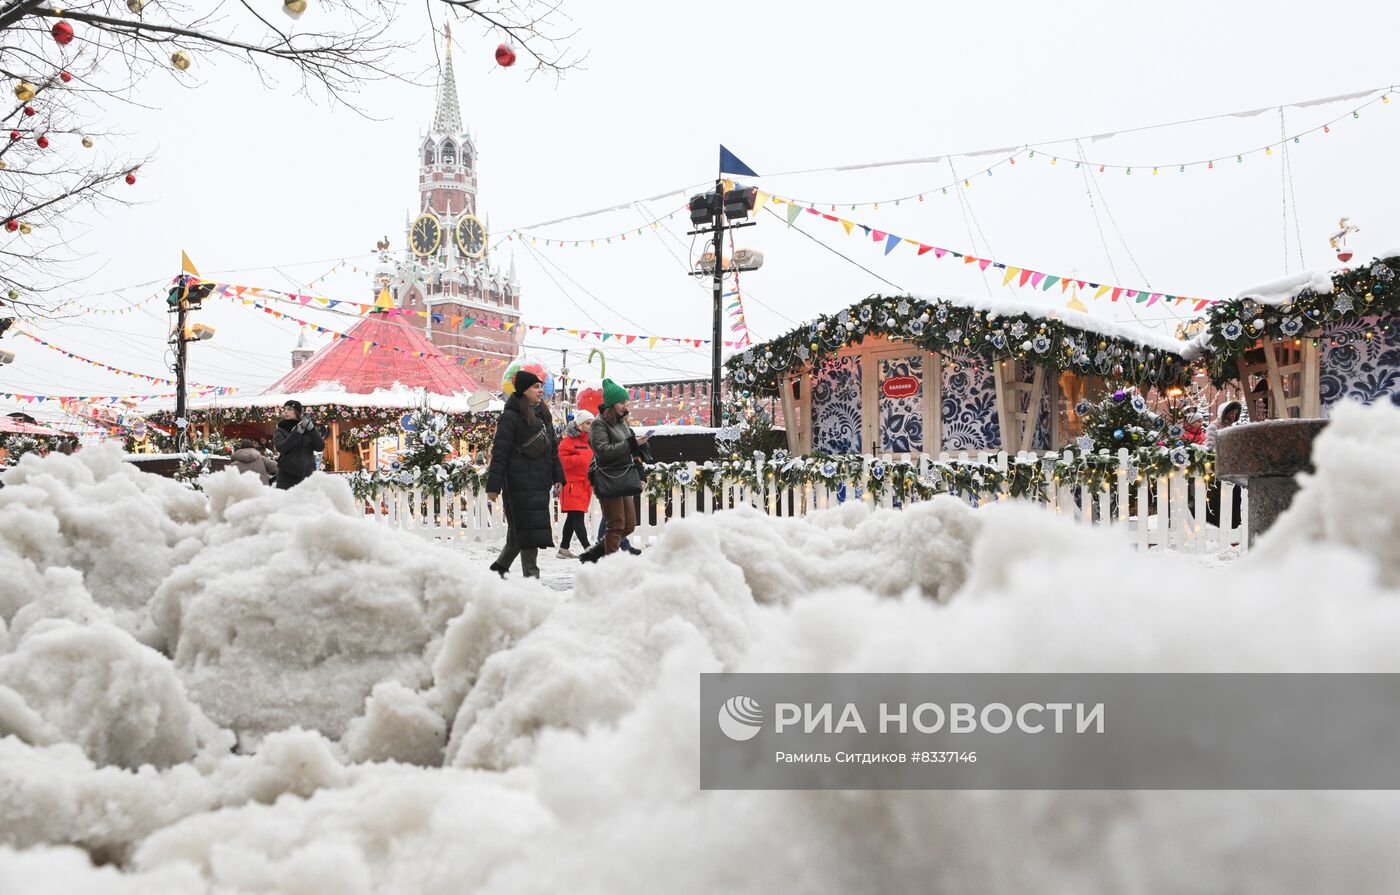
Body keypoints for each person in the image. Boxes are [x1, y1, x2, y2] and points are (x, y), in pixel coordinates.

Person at [485, 370, 566, 578]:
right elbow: (500, 453)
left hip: (539, 483)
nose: (540, 390)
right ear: (523, 390)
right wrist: (493, 486)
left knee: (522, 531)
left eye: (541, 386)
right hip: (517, 482)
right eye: (535, 387)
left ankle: (499, 568)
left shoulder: (543, 414)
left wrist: (558, 476)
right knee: (528, 531)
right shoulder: (510, 417)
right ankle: (532, 578)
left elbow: (553, 450)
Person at [580, 379, 649, 560]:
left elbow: (629, 448)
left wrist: (639, 445)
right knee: (616, 525)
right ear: (611, 404)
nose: (625, 405)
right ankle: (611, 567)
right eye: (621, 402)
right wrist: (630, 444)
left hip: (625, 476)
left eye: (626, 402)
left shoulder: (621, 422)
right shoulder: (599, 424)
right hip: (608, 477)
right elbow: (603, 452)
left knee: (629, 525)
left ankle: (595, 552)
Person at [556, 409, 594, 559]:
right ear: (579, 425)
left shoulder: (588, 441)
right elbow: (560, 460)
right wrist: (580, 459)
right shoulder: (568, 441)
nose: (591, 426)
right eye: (588, 423)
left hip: (584, 485)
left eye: (592, 423)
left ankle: (563, 549)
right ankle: (588, 548)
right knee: (578, 517)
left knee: (572, 518)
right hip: (571, 485)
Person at [272, 400, 324, 490]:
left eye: (290, 409)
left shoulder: (307, 428)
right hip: (287, 476)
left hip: (307, 475)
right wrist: (297, 432)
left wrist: (312, 430)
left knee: (307, 503)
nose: (286, 411)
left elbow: (320, 447)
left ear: (297, 412)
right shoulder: (280, 429)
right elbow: (281, 447)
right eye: (285, 409)